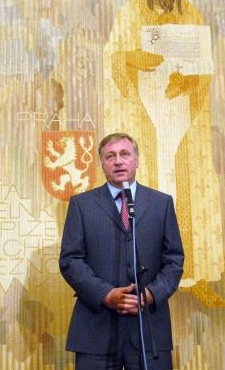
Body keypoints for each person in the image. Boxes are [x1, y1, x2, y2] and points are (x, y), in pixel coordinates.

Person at [102, 0, 223, 293]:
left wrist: (190, 82)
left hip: (182, 115)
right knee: (154, 182)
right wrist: (132, 58)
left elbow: (204, 66)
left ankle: (194, 273)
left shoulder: (192, 13)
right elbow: (115, 57)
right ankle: (145, 272)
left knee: (186, 186)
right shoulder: (131, 12)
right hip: (147, 114)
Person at [59, 132, 184, 369]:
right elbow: (70, 260)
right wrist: (105, 294)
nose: (118, 161)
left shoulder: (161, 203)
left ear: (136, 161)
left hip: (149, 332)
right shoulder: (81, 205)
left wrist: (150, 295)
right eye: (110, 156)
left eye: (125, 154)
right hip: (96, 332)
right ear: (102, 164)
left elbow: (174, 261)